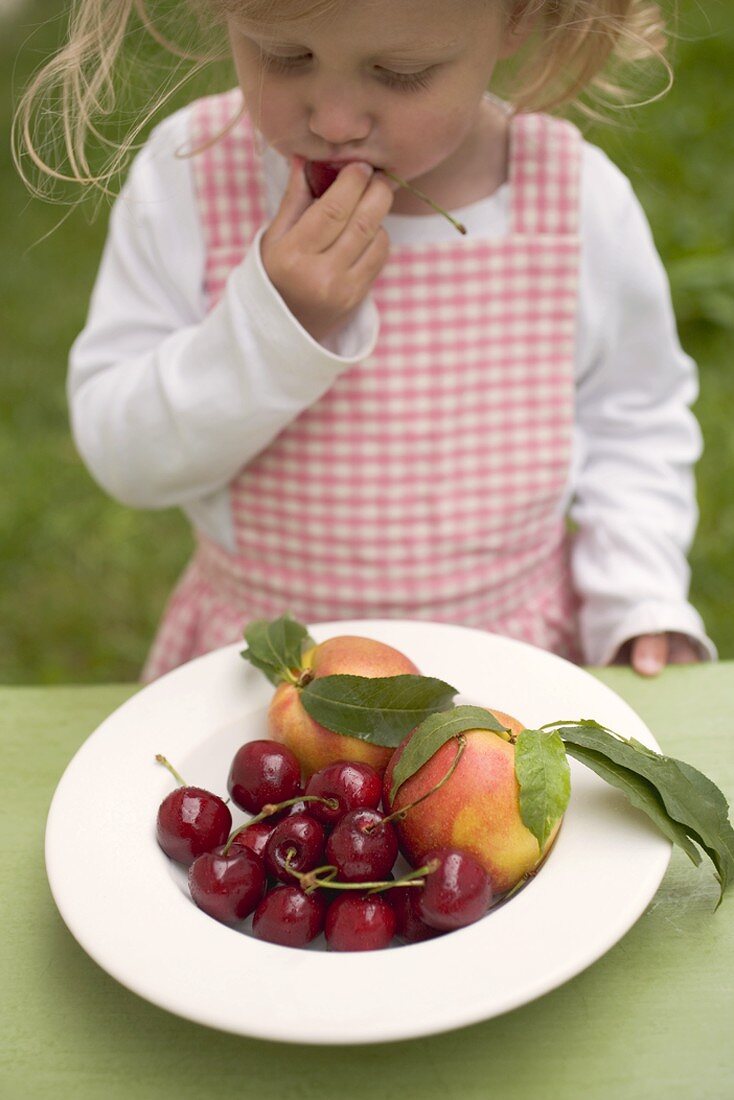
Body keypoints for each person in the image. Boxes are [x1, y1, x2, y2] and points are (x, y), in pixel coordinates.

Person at [15, 0, 716, 681]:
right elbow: (125, 455)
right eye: (284, 56)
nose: (334, 121)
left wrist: (636, 594)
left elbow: (634, 421)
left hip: (503, 670)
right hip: (269, 676)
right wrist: (277, 325)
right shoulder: (192, 178)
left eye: (401, 72)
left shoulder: (572, 200)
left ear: (517, 16)